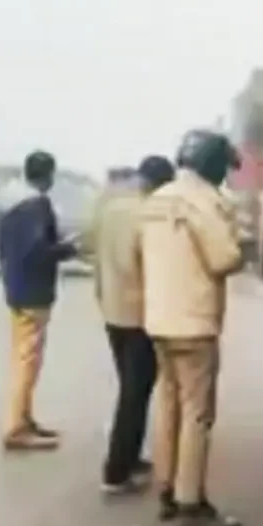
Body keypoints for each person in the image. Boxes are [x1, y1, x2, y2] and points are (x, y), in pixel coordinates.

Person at [139, 129, 246, 526]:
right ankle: (191, 505)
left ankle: (166, 490)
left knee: (169, 407)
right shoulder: (204, 202)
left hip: (159, 320)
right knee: (198, 413)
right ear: (214, 164)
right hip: (194, 324)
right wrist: (239, 241)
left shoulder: (158, 199)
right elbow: (223, 258)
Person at [96, 155, 175, 495]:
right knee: (135, 394)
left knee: (133, 390)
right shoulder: (146, 214)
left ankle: (130, 458)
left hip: (112, 310)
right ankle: (116, 471)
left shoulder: (109, 206)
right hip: (140, 313)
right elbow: (146, 264)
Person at [0, 150, 77, 451]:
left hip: (16, 286)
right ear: (47, 175)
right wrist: (67, 249)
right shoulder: (35, 204)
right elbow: (38, 250)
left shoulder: (8, 200)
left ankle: (25, 419)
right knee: (27, 361)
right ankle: (16, 427)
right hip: (33, 290)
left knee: (24, 356)